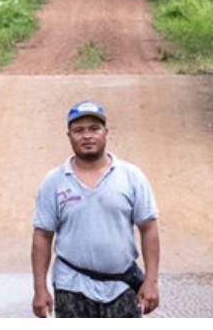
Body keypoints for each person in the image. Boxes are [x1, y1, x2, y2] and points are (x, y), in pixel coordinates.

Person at [32, 101, 160, 319]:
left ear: (106, 132)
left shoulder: (131, 176)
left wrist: (151, 281)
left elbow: (148, 228)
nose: (87, 136)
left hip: (121, 286)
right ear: (69, 135)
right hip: (71, 286)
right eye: (79, 130)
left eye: (94, 128)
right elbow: (42, 236)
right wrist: (39, 288)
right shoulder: (54, 181)